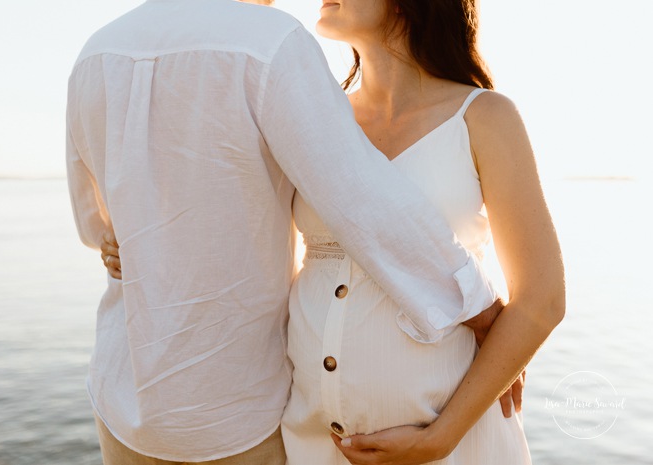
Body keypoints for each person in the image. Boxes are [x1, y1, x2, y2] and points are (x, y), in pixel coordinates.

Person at [67, 0, 517, 464]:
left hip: (122, 395)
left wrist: (127, 240)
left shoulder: (95, 53)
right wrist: (480, 307)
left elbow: (94, 224)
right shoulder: (271, 42)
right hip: (236, 410)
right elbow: (360, 195)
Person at [276, 0, 565, 464]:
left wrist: (441, 437)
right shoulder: (315, 121)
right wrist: (117, 232)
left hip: (453, 445)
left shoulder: (485, 116)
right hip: (313, 443)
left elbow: (542, 299)